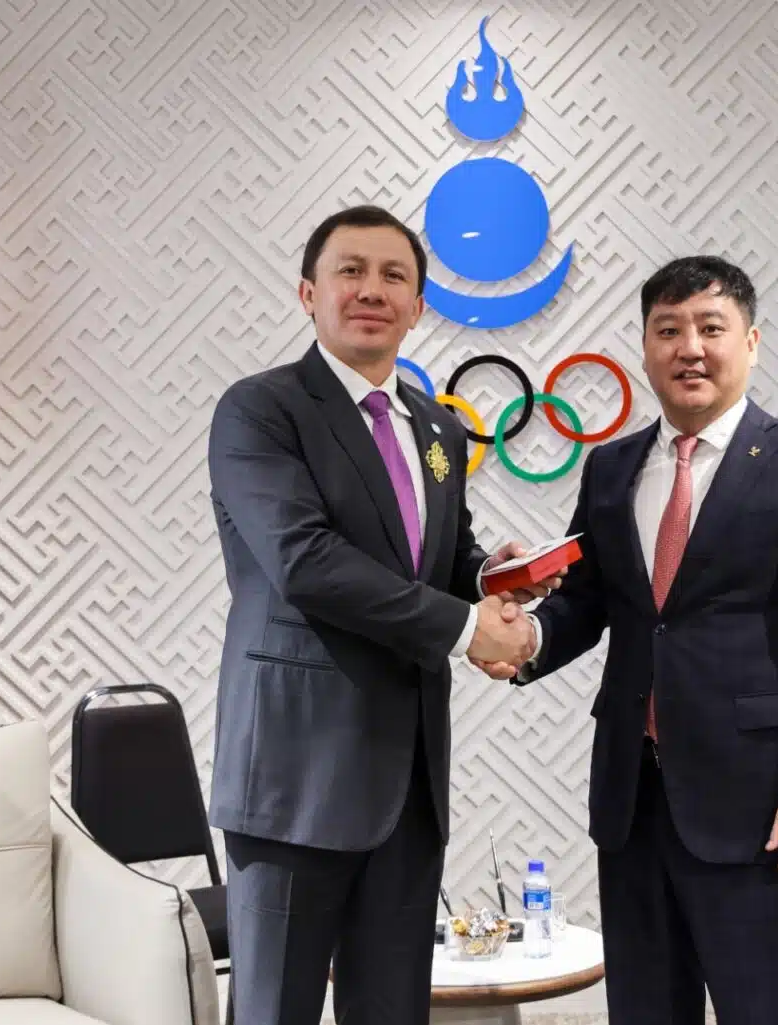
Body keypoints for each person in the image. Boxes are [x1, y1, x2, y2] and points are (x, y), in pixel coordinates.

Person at [474, 256, 778, 1024]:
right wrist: (526, 642)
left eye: (710, 328)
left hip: (761, 803)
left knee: (773, 1010)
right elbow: (590, 600)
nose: (689, 347)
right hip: (634, 800)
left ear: (750, 342)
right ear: (646, 347)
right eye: (668, 330)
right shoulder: (612, 465)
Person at [206, 204, 552, 1025]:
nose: (372, 290)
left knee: (394, 1011)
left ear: (418, 305)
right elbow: (305, 561)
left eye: (394, 275)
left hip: (409, 783)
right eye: (351, 271)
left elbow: (438, 562)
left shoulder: (436, 427)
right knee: (274, 1011)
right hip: (295, 777)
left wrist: (493, 578)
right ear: (308, 294)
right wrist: (466, 629)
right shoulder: (260, 410)